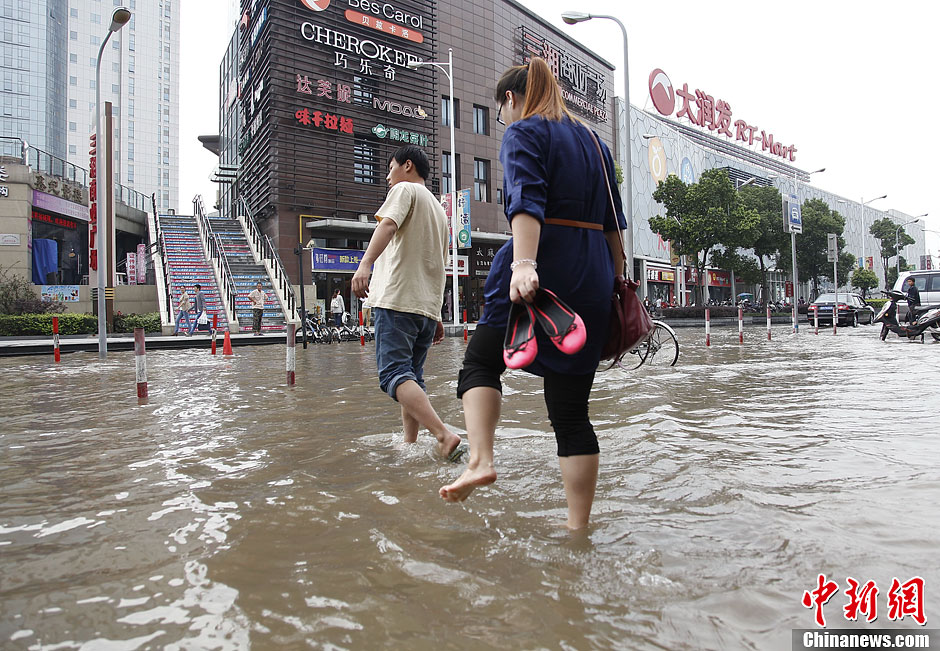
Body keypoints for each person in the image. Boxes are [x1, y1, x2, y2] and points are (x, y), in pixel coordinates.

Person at [438, 58, 627, 530]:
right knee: (571, 411)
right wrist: (615, 278)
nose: (504, 121)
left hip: (542, 262)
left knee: (481, 363)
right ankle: (577, 529)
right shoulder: (596, 144)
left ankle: (480, 460)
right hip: (593, 272)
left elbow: (526, 199)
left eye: (501, 112)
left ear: (510, 99)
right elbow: (613, 225)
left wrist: (524, 264)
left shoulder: (524, 131)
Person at [352, 145, 463, 461]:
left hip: (398, 300)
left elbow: (387, 225)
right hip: (424, 310)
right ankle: (410, 444)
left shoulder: (405, 190)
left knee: (393, 374)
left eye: (391, 169)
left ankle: (443, 435)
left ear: (408, 166)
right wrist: (436, 314)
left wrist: (364, 264)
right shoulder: (440, 211)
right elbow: (440, 265)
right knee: (411, 376)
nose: (388, 177)